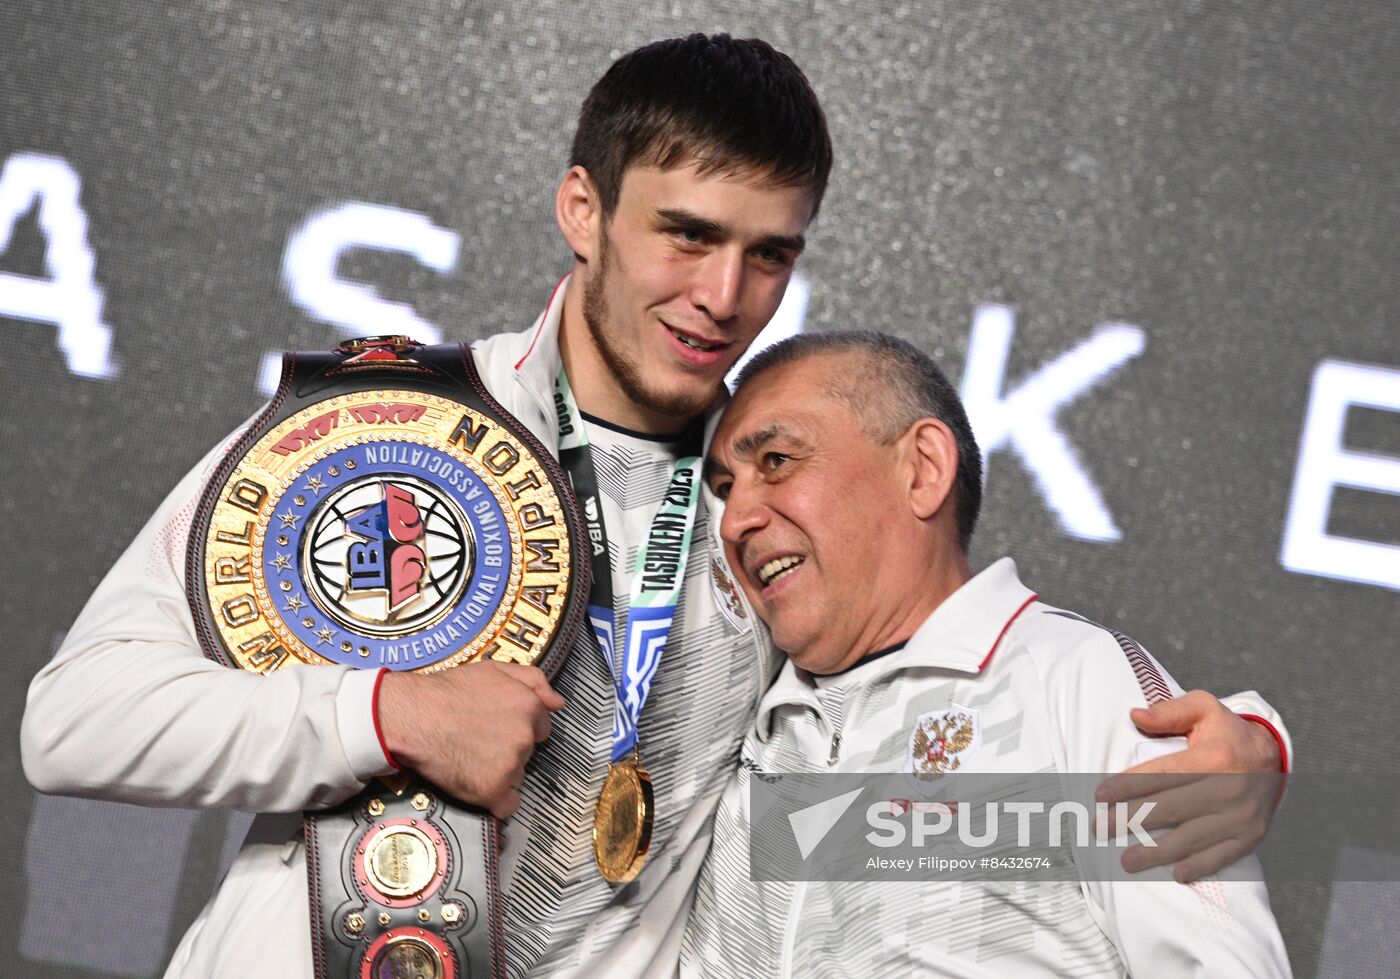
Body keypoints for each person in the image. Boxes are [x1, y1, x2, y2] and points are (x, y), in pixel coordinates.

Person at [22, 34, 1286, 978]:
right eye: (684, 235)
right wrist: (384, 709)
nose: (723, 293)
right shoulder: (387, 424)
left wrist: (1210, 764)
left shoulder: (768, 521)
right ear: (584, 210)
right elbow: (72, 724)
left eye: (770, 251)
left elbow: (878, 805)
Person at [685, 331, 1292, 976]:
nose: (734, 518)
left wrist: (1260, 740)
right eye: (725, 487)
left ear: (922, 469)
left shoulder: (1075, 679)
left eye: (777, 460)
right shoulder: (739, 718)